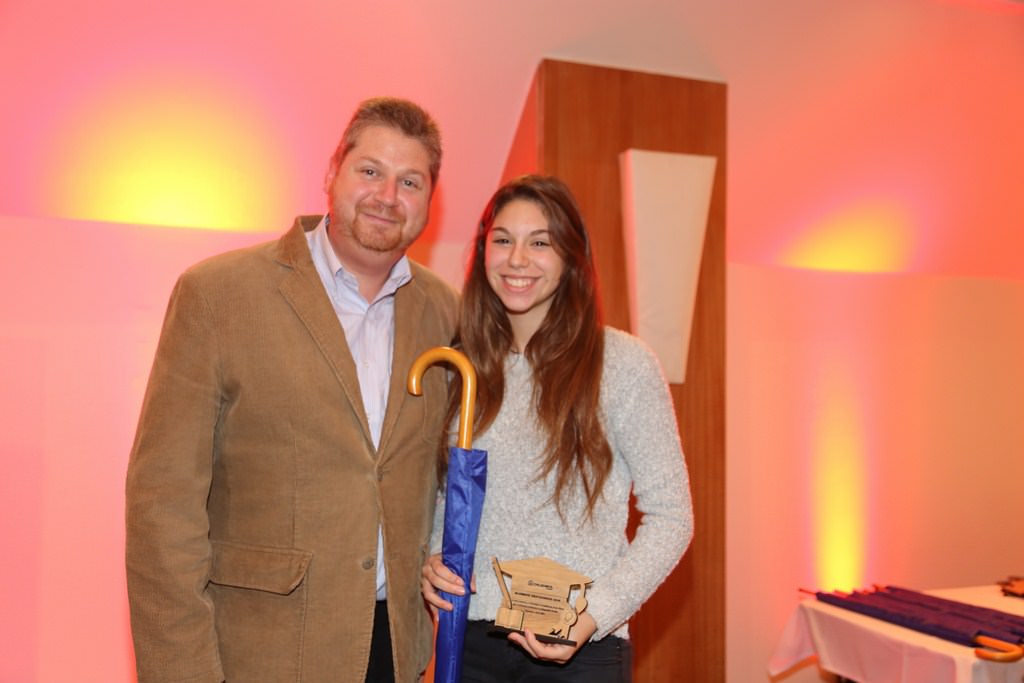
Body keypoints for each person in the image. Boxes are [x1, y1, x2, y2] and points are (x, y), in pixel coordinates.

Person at [125, 97, 459, 683]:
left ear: (430, 201)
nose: (387, 196)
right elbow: (163, 504)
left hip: (397, 652)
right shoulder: (218, 294)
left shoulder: (445, 311)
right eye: (370, 171)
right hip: (258, 653)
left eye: (410, 181)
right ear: (332, 172)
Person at [421, 175, 694, 682]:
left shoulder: (623, 364)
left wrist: (593, 616)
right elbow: (448, 494)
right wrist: (436, 553)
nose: (517, 259)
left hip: (581, 650)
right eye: (503, 239)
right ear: (483, 251)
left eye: (540, 243)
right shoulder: (464, 366)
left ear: (571, 258)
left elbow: (673, 517)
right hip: (473, 643)